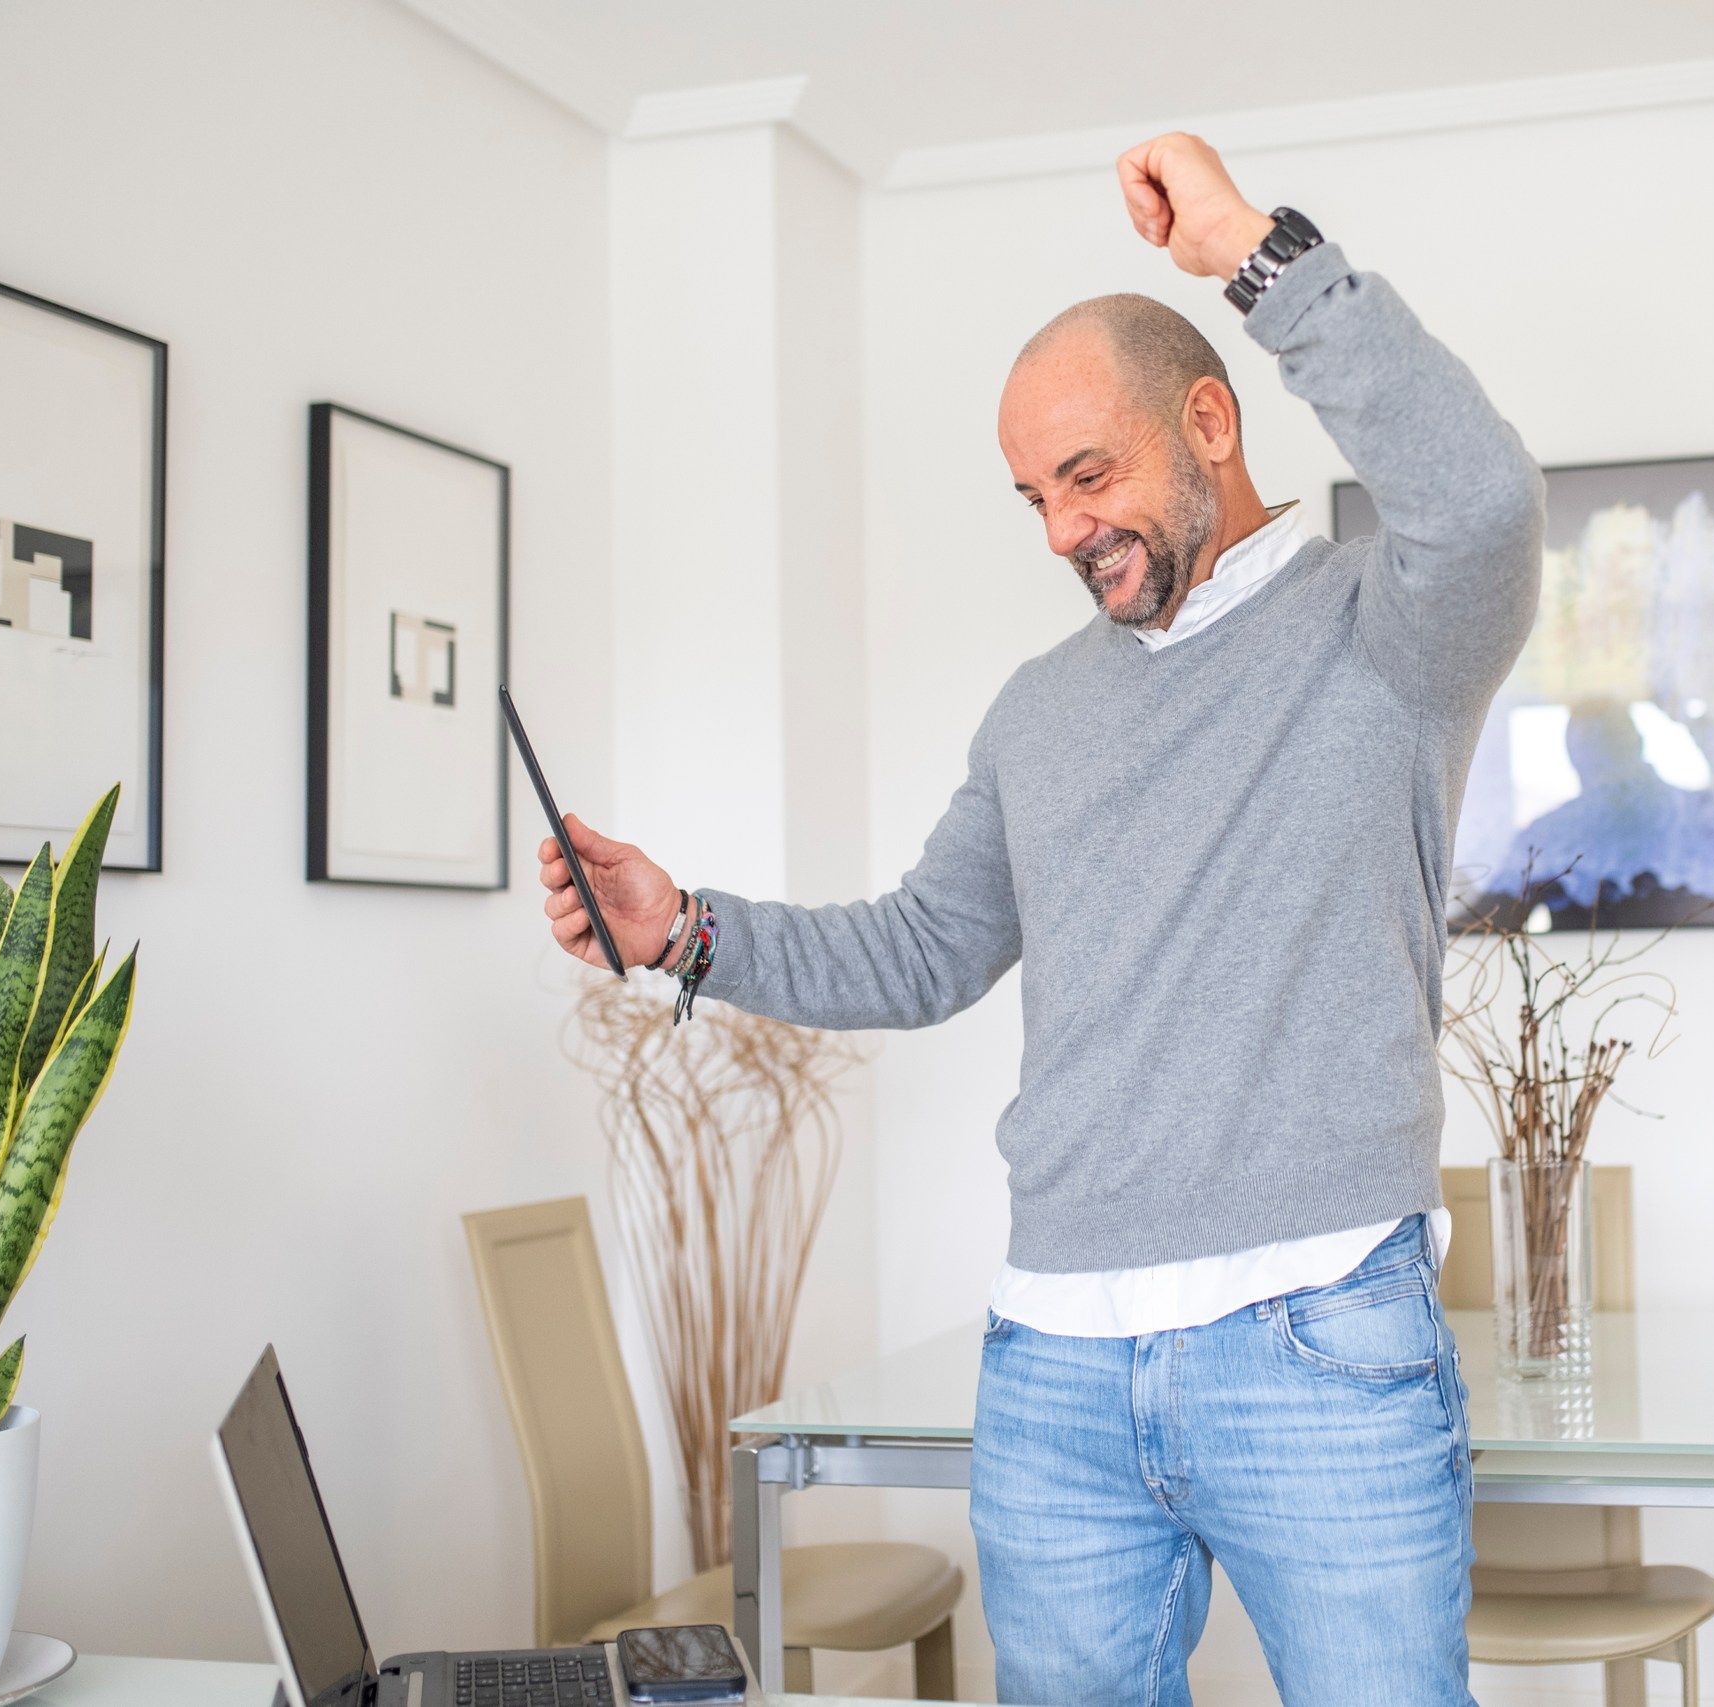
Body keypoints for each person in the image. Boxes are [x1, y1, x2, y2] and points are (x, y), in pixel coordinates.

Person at [539, 133, 1544, 1707]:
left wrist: (1254, 252)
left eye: (1089, 476)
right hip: (1056, 1368)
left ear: (1208, 422)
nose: (1065, 531)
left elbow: (1481, 503)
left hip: (1322, 1339)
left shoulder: (1385, 638)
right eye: (1035, 498)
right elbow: (921, 948)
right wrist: (682, 930)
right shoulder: (1037, 712)